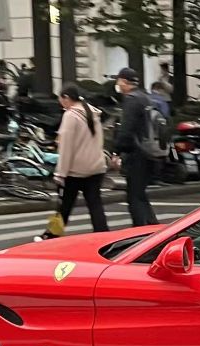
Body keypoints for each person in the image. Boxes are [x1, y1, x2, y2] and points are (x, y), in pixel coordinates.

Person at [35, 84, 109, 240]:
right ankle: (103, 235)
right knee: (95, 205)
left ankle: (51, 235)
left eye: (60, 99)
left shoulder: (70, 116)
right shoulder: (92, 113)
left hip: (76, 170)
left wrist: (60, 173)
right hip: (96, 167)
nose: (60, 103)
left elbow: (66, 147)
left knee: (64, 205)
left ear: (66, 98)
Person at [113, 67, 158, 226]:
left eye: (118, 80)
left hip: (137, 153)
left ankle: (140, 231)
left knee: (134, 196)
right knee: (140, 194)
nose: (117, 84)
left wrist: (117, 151)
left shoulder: (131, 100)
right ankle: (153, 227)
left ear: (124, 82)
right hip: (150, 150)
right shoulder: (145, 98)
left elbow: (126, 130)